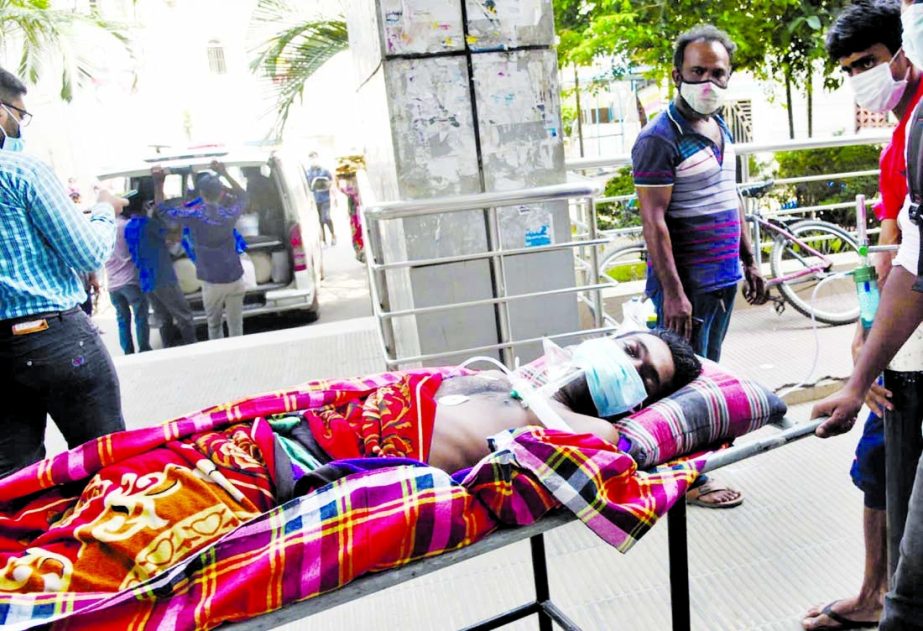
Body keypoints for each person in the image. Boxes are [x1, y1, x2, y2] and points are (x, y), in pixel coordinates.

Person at [804, 3, 923, 628]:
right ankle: (877, 592)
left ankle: (889, 597)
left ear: (903, 49)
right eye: (850, 69)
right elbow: (893, 256)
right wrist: (864, 340)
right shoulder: (901, 137)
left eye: (869, 62)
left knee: (891, 463)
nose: (862, 78)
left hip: (910, 343)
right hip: (899, 338)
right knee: (881, 462)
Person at [631, 25, 767, 508]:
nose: (707, 82)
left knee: (707, 373)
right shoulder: (658, 137)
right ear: (677, 74)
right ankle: (687, 479)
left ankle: (697, 465)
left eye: (717, 73)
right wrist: (673, 293)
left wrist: (750, 261)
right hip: (685, 286)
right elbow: (654, 223)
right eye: (697, 72)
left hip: (722, 279)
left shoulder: (719, 127)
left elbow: (728, 200)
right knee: (681, 383)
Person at [0, 66, 126, 477]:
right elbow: (89, 250)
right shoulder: (22, 172)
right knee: (106, 464)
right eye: (20, 114)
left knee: (15, 484)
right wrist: (106, 208)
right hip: (55, 341)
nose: (21, 126)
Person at [153, 161, 248, 340]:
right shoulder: (229, 214)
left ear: (201, 193)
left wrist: (158, 183)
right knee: (236, 326)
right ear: (221, 193)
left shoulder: (195, 216)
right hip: (235, 277)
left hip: (211, 281)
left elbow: (163, 210)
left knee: (214, 326)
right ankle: (239, 359)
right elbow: (243, 196)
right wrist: (224, 172)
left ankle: (219, 361)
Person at [124, 182, 197, 348]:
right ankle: (193, 347)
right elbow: (173, 237)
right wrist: (182, 219)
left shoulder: (129, 227)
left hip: (146, 280)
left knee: (163, 318)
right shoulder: (149, 225)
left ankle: (168, 349)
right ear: (144, 205)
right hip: (162, 277)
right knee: (184, 316)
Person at [106, 202, 152, 355]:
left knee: (122, 319)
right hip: (130, 280)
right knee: (140, 315)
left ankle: (128, 351)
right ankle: (144, 348)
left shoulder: (103, 231)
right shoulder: (126, 226)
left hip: (112, 284)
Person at [306, 151, 336, 247]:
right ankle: (323, 240)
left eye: (315, 158)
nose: (313, 160)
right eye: (311, 158)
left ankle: (333, 235)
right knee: (319, 220)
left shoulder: (324, 171)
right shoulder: (308, 173)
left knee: (326, 217)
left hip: (325, 198)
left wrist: (334, 196)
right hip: (315, 199)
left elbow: (331, 182)